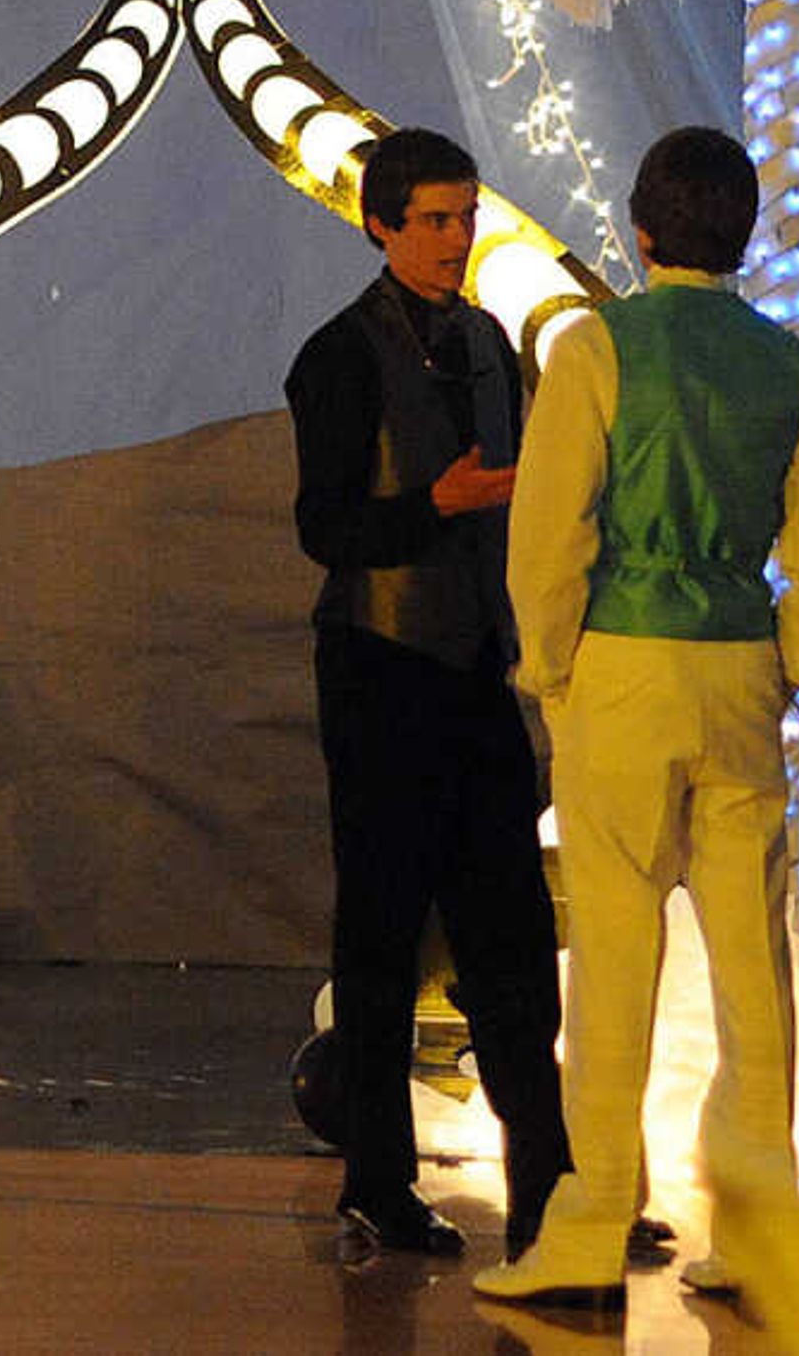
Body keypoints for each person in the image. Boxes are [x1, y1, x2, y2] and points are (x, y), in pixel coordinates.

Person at [472, 129, 799, 1308]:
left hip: (624, 669)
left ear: (639, 228)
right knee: (753, 967)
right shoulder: (789, 360)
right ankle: (758, 1230)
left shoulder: (597, 346)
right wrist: (792, 658)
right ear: (741, 230)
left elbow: (549, 533)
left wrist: (552, 667)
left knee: (616, 962)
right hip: (739, 664)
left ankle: (587, 1230)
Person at [284, 126, 569, 1261]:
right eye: (436, 220)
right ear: (382, 224)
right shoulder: (338, 355)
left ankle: (547, 1177)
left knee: (510, 928)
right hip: (380, 668)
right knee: (383, 931)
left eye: (466, 216)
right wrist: (437, 505)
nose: (457, 239)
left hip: (478, 669)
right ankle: (378, 1177)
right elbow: (325, 527)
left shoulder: (495, 342)